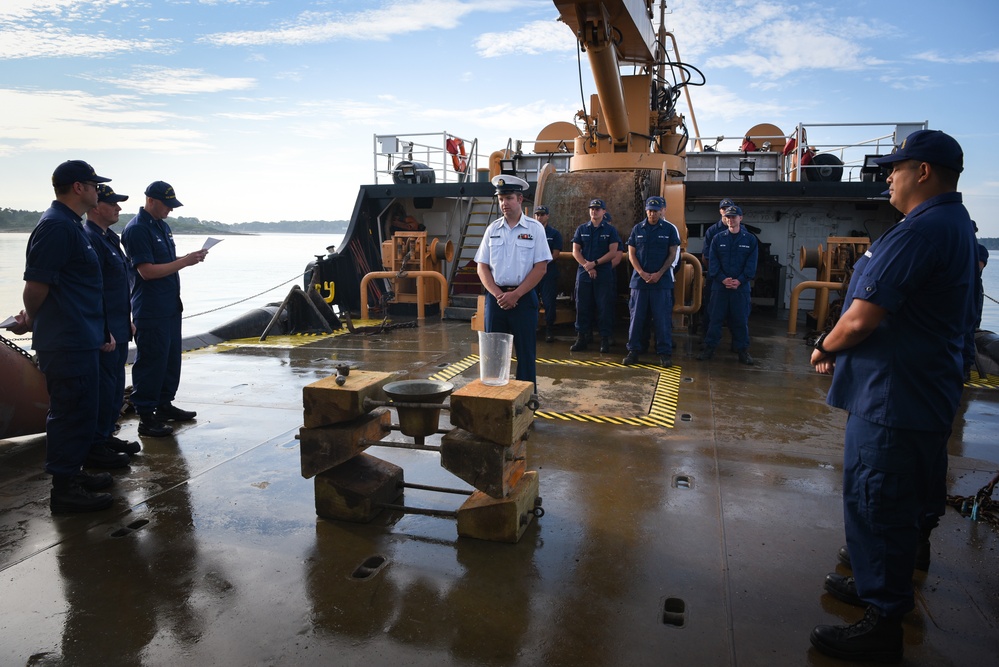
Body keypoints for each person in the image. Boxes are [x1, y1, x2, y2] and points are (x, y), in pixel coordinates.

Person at [808, 129, 976, 663]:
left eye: (896, 168)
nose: (888, 177)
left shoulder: (921, 231)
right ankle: (879, 583)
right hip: (921, 389)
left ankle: (882, 619)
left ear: (923, 172)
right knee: (901, 499)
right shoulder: (956, 228)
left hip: (892, 396)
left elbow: (859, 319)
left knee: (878, 498)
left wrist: (823, 343)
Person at [10, 160, 121, 512]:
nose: (96, 190)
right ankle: (65, 489)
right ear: (78, 188)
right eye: (93, 184)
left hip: (81, 336)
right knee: (70, 411)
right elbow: (36, 286)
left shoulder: (71, 226)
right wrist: (34, 319)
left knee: (82, 409)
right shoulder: (57, 227)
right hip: (66, 340)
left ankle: (74, 473)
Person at [121, 181, 208, 438]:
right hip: (150, 308)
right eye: (166, 205)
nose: (170, 210)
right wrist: (185, 262)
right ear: (151, 200)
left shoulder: (162, 226)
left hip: (169, 305)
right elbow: (146, 271)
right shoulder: (136, 229)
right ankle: (147, 418)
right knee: (151, 361)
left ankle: (164, 405)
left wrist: (186, 258)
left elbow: (167, 263)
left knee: (170, 359)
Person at [475, 175, 552, 388]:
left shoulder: (534, 229)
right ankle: (496, 398)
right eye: (501, 199)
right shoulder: (492, 229)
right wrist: (498, 294)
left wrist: (515, 295)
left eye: (508, 198)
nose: (504, 203)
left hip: (523, 300)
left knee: (526, 354)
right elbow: (482, 266)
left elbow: (541, 267)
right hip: (496, 301)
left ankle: (527, 401)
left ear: (520, 199)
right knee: (494, 356)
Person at [84, 184, 142, 457]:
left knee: (115, 387)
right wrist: (104, 329)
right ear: (96, 207)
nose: (119, 208)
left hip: (118, 326)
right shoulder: (90, 238)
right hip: (105, 330)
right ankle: (96, 444)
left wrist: (126, 319)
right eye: (113, 203)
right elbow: (95, 291)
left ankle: (107, 435)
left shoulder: (109, 238)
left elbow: (119, 287)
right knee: (103, 389)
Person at [622, 196, 680, 368]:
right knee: (636, 319)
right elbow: (631, 253)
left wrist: (659, 273)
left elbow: (672, 254)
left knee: (662, 320)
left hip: (661, 283)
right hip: (640, 283)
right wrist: (641, 273)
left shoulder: (669, 229)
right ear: (646, 210)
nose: (652, 213)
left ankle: (664, 353)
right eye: (650, 210)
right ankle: (633, 351)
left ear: (661, 210)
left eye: (655, 210)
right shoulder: (637, 229)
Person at [697, 205, 757, 364]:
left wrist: (740, 280)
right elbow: (713, 263)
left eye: (734, 217)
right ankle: (709, 349)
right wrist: (723, 279)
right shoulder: (718, 239)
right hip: (720, 287)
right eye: (728, 217)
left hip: (740, 289)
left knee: (740, 321)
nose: (731, 220)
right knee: (714, 319)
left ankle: (743, 352)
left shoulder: (750, 240)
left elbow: (751, 265)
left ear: (740, 218)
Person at [570, 199, 621, 353]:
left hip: (603, 273)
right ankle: (582, 338)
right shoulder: (581, 229)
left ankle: (604, 339)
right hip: (585, 273)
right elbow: (575, 251)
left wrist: (595, 263)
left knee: (604, 306)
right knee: (582, 306)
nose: (594, 211)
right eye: (592, 209)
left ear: (604, 212)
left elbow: (613, 252)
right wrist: (587, 265)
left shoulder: (610, 231)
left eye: (598, 209)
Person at [700, 197, 737, 339]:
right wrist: (719, 277)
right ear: (720, 211)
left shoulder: (743, 232)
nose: (726, 211)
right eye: (723, 208)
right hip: (716, 279)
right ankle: (706, 340)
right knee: (711, 310)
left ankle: (737, 344)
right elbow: (706, 256)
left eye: (729, 208)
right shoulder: (712, 231)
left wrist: (737, 279)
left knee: (736, 313)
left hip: (736, 281)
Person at [962, 221, 990, 380]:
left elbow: (976, 268)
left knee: (969, 329)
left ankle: (965, 370)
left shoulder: (979, 250)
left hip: (972, 291)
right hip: (961, 291)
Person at [533, 205, 562, 343]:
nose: (539, 217)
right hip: (532, 274)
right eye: (537, 214)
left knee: (549, 303)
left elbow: (555, 253)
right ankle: (532, 327)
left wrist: (542, 264)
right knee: (531, 301)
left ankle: (549, 329)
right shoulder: (530, 232)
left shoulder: (554, 234)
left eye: (542, 214)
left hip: (548, 274)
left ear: (548, 216)